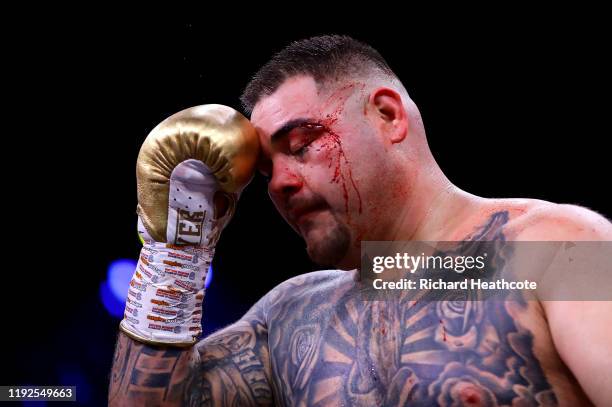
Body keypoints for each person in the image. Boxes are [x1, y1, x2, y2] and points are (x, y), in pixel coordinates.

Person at [109, 35, 612, 406]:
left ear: (389, 116)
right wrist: (176, 250)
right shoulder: (289, 319)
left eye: (302, 145)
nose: (279, 183)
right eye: (265, 171)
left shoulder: (557, 250)